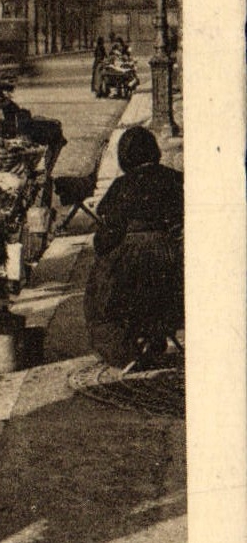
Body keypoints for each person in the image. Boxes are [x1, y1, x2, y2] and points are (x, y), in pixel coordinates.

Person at [84, 125, 184, 370]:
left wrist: (103, 251)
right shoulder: (175, 178)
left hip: (132, 256)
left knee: (102, 300)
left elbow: (110, 233)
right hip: (173, 253)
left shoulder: (122, 185)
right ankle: (155, 337)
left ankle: (125, 353)